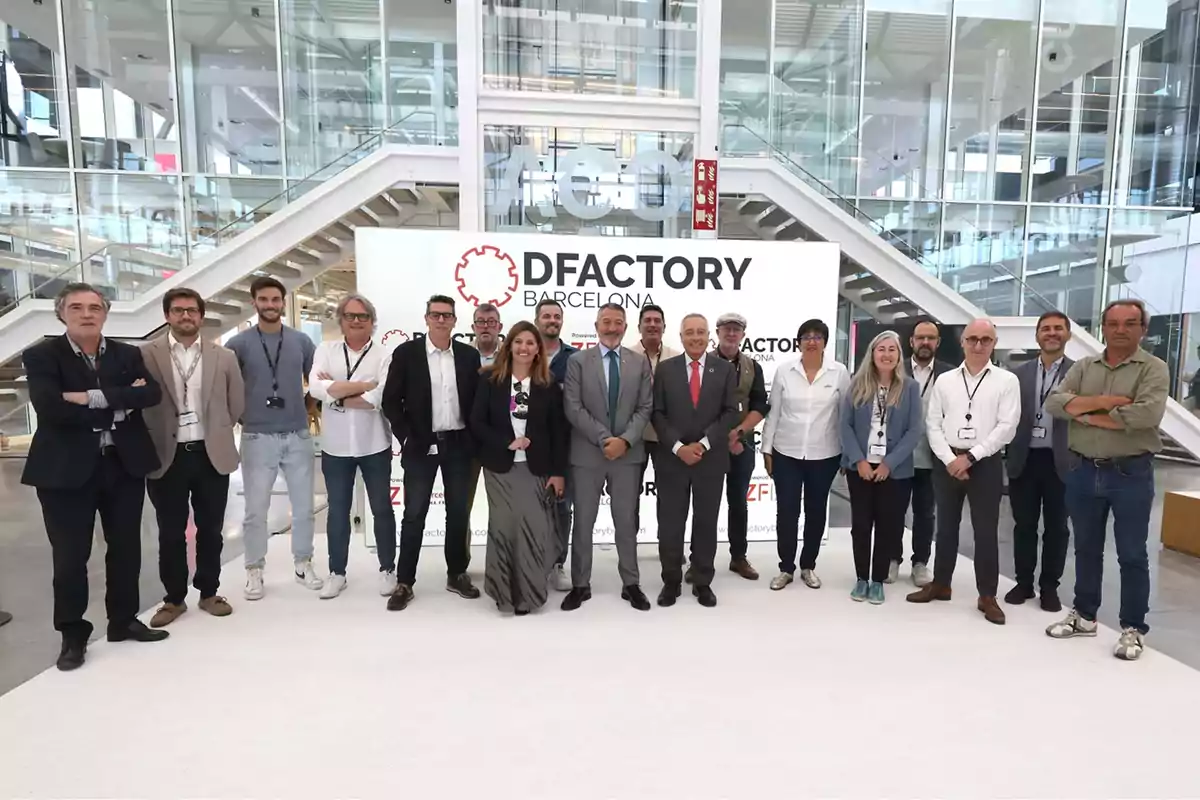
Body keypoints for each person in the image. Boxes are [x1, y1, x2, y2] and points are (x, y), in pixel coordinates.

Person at [22, 283, 167, 671]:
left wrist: (87, 396)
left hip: (122, 464)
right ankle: (72, 634)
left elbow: (150, 395)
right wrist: (120, 402)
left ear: (105, 313)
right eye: (76, 307)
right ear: (61, 314)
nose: (86, 314)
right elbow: (51, 408)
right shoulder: (41, 355)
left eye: (94, 307)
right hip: (64, 472)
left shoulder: (127, 353)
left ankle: (122, 620)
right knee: (70, 557)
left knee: (126, 549)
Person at [1044, 299, 1169, 661]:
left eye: (1129, 323)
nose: (1120, 330)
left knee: (1131, 554)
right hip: (1083, 470)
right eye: (1113, 323)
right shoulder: (1084, 366)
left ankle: (1133, 628)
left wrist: (1083, 411)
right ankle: (1085, 615)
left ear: (1142, 329)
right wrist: (1108, 403)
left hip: (1130, 472)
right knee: (1085, 548)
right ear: (1103, 328)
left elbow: (1146, 415)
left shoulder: (1153, 369)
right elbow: (1054, 403)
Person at [141, 288, 244, 627]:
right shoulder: (146, 355)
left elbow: (236, 403)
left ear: (201, 316)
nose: (186, 316)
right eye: (178, 310)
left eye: (191, 311)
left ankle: (209, 591)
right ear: (167, 316)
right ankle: (173, 599)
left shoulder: (223, 356)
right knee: (170, 531)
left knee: (211, 529)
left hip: (209, 453)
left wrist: (215, 429)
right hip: (165, 455)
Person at [906, 319, 1019, 626]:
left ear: (994, 343)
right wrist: (949, 459)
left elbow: (1006, 428)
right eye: (972, 339)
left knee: (985, 532)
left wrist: (970, 457)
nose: (978, 345)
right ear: (962, 342)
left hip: (985, 463)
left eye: (985, 339)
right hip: (947, 463)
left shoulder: (1007, 381)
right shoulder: (946, 381)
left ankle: (987, 595)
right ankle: (941, 584)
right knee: (945, 528)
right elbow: (933, 424)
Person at [381, 294, 482, 610]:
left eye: (447, 315)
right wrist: (407, 439)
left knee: (458, 512)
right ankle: (405, 581)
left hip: (459, 446)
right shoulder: (407, 353)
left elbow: (477, 402)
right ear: (426, 318)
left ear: (454, 321)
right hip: (420, 446)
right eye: (436, 315)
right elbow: (390, 402)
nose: (441, 320)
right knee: (413, 515)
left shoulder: (468, 356)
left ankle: (457, 574)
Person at [226, 276, 323, 600]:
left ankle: (303, 562)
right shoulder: (238, 345)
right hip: (257, 436)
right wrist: (242, 415)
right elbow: (227, 386)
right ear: (254, 303)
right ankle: (254, 569)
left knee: (304, 507)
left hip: (297, 434)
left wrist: (307, 409)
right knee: (255, 509)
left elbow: (318, 382)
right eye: (263, 300)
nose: (270, 305)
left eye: (275, 300)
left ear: (283, 303)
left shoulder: (300, 342)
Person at [470, 321, 568, 615]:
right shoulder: (489, 381)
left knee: (533, 531)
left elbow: (559, 432)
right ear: (509, 345)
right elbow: (477, 422)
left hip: (536, 470)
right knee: (503, 530)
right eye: (518, 342)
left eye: (530, 343)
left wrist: (558, 471)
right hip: (500, 470)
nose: (524, 348)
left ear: (538, 349)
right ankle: (504, 594)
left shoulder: (548, 386)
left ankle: (529, 594)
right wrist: (507, 442)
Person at [562, 303, 654, 612]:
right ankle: (580, 584)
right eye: (606, 322)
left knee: (626, 522)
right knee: (584, 522)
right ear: (596, 325)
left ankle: (631, 583)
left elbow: (645, 408)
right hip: (588, 453)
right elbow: (573, 407)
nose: (612, 327)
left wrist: (625, 441)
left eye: (618, 322)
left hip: (627, 456)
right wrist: (605, 439)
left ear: (626, 327)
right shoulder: (577, 361)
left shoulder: (639, 363)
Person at [308, 293, 397, 600]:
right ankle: (337, 573)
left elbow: (380, 398)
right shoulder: (326, 349)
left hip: (375, 445)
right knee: (338, 512)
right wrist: (363, 385)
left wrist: (337, 390)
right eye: (350, 316)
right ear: (341, 320)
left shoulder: (385, 354)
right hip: (336, 448)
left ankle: (388, 569)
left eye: (362, 316)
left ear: (372, 322)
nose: (356, 321)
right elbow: (317, 389)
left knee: (382, 509)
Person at [653, 314, 739, 608]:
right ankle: (671, 581)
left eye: (701, 332)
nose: (695, 337)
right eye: (689, 332)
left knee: (706, 522)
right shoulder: (664, 370)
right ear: (680, 336)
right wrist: (678, 447)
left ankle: (702, 581)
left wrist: (701, 445)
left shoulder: (725, 370)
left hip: (710, 460)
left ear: (708, 337)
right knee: (670, 523)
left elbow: (730, 413)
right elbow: (657, 414)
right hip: (672, 460)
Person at [761, 318, 850, 591]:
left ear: (825, 342)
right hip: (786, 452)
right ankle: (786, 568)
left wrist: (847, 452)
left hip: (825, 455)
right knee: (786, 511)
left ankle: (808, 565)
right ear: (798, 342)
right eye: (806, 336)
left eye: (817, 336)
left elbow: (846, 416)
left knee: (816, 512)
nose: (812, 341)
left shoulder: (839, 372)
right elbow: (773, 412)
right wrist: (766, 448)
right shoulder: (784, 371)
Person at [839, 331, 923, 605]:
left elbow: (914, 430)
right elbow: (845, 426)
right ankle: (861, 578)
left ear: (899, 355)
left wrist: (888, 463)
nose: (886, 354)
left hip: (895, 470)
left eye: (892, 349)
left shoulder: (909, 387)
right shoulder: (857, 385)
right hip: (860, 467)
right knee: (861, 525)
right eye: (881, 349)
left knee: (888, 526)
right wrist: (859, 460)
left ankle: (877, 581)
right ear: (872, 354)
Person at [1004, 311, 1073, 612]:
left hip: (1062, 461)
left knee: (1057, 528)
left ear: (1068, 334)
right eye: (1046, 329)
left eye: (1058, 328)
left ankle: (1049, 587)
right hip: (1024, 458)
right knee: (1024, 525)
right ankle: (1023, 583)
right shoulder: (1017, 374)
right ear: (1037, 336)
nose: (1052, 333)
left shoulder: (1079, 372)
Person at [711, 312, 769, 581]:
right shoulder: (703, 363)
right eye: (726, 329)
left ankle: (738, 557)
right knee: (705, 504)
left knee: (738, 504)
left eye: (736, 330)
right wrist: (722, 437)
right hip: (709, 445)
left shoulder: (752, 367)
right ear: (718, 332)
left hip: (742, 444)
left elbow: (759, 405)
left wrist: (739, 432)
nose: (731, 334)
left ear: (743, 335)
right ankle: (702, 559)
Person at [901, 318, 954, 587]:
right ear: (911, 341)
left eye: (930, 338)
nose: (925, 342)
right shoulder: (894, 369)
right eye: (920, 337)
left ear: (938, 342)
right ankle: (890, 559)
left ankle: (920, 563)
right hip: (898, 456)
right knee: (893, 511)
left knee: (925, 513)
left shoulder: (950, 375)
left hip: (932, 457)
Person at [536, 298, 578, 592]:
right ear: (537, 319)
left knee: (562, 507)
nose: (552, 320)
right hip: (530, 447)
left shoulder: (575, 359)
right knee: (532, 508)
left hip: (567, 446)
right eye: (546, 315)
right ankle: (536, 562)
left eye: (556, 316)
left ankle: (559, 562)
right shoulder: (524, 353)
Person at [630, 304, 682, 534]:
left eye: (657, 320)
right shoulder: (626, 356)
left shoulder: (677, 357)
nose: (652, 324)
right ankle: (628, 544)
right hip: (635, 437)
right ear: (639, 326)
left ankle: (669, 545)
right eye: (647, 320)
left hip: (666, 437)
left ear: (664, 326)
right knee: (629, 495)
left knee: (670, 496)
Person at [465, 302, 504, 570]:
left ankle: (501, 565)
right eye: (481, 322)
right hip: (465, 445)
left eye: (491, 322)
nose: (486, 327)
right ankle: (460, 567)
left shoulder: (512, 357)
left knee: (502, 512)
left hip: (499, 445)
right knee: (461, 510)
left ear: (500, 328)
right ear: (473, 328)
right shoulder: (461, 357)